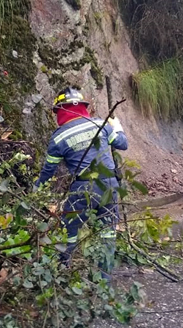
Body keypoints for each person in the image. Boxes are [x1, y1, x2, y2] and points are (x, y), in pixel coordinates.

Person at [33, 87, 128, 281]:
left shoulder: (58, 138)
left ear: (59, 111)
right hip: (109, 184)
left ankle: (62, 272)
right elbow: (122, 144)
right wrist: (117, 126)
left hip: (83, 187)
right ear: (84, 107)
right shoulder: (101, 124)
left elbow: (48, 171)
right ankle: (104, 281)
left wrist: (35, 191)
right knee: (107, 233)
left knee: (69, 229)